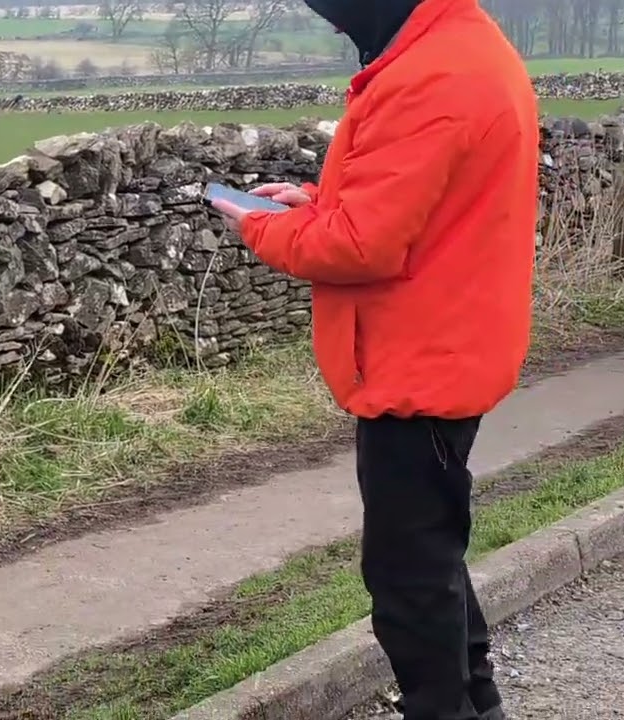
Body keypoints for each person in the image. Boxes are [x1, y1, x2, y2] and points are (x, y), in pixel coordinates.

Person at [209, 1, 538, 719]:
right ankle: (476, 701)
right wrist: (318, 202)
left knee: (407, 577)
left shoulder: (429, 75)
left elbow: (361, 247)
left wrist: (263, 226)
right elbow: (417, 204)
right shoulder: (461, 46)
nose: (332, 24)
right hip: (446, 343)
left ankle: (446, 708)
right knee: (431, 554)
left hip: (418, 361)